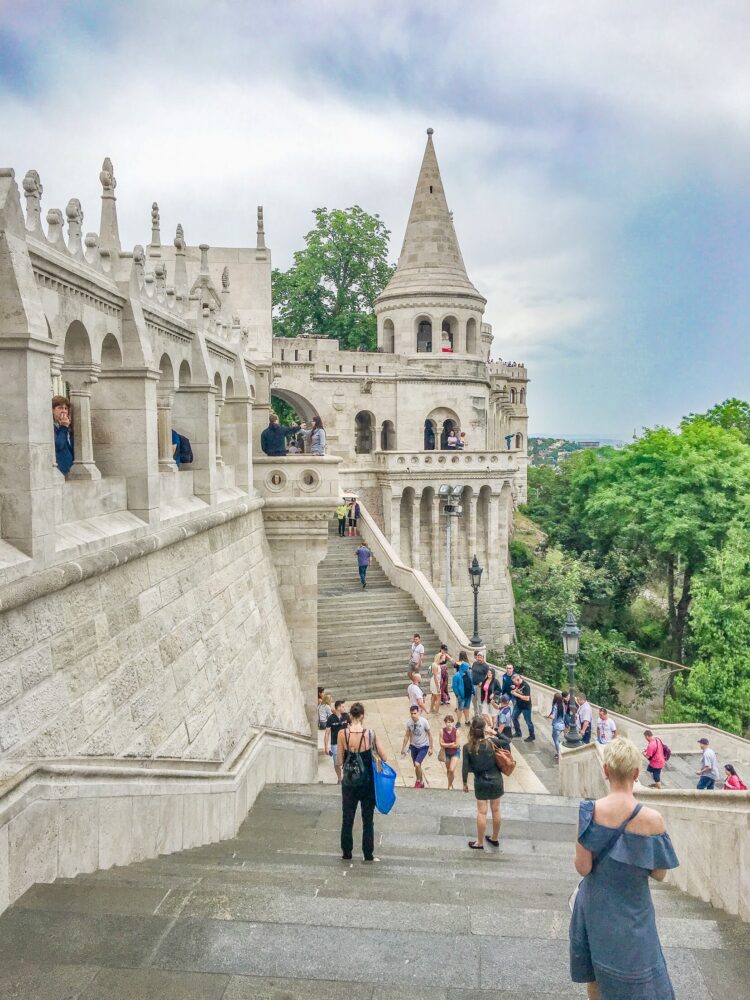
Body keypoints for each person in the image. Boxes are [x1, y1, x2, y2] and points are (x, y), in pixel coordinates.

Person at [570, 737, 679, 999]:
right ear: (636, 773)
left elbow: (583, 868)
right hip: (634, 912)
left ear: (605, 770)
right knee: (641, 976)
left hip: (595, 908)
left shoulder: (589, 811)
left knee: (596, 976)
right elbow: (660, 874)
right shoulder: (653, 820)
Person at [338, 702, 387, 861]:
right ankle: (368, 854)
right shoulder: (370, 734)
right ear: (363, 716)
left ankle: (347, 852)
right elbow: (384, 757)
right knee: (368, 820)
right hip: (367, 783)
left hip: (349, 783)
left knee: (347, 818)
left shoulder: (342, 734)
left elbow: (339, 760)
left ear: (350, 716)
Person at [462, 716, 509, 849]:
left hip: (481, 782)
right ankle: (494, 837)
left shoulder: (467, 747)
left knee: (482, 812)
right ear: (484, 730)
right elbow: (507, 741)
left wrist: (464, 783)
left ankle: (480, 842)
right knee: (496, 810)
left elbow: (465, 768)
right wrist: (495, 732)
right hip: (496, 780)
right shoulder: (492, 742)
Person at [401, 705, 433, 788]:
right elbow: (407, 735)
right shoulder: (409, 722)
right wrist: (403, 748)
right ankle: (421, 781)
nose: (413, 715)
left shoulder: (424, 722)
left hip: (423, 746)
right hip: (414, 746)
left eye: (415, 713)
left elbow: (429, 734)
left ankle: (418, 781)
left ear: (418, 712)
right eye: (411, 713)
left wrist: (431, 747)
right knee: (416, 766)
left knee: (417, 763)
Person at [324, 700, 348, 783]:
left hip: (346, 743)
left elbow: (352, 727)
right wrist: (326, 747)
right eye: (342, 706)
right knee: (336, 763)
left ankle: (346, 777)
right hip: (335, 744)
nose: (344, 708)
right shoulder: (331, 718)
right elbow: (327, 733)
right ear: (338, 708)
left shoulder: (346, 716)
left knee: (347, 761)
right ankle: (339, 778)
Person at [52, 396, 74, 475]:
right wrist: (63, 428)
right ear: (52, 410)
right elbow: (58, 446)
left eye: (66, 408)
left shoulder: (68, 427)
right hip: (59, 471)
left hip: (70, 470)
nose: (64, 411)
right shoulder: (51, 428)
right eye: (60, 408)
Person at [511, 673, 535, 742]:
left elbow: (527, 698)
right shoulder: (517, 684)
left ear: (518, 680)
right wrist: (514, 689)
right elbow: (518, 690)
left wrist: (516, 694)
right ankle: (518, 733)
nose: (514, 683)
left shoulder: (526, 686)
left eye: (515, 682)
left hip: (526, 707)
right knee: (513, 717)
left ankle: (532, 736)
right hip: (518, 705)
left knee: (528, 722)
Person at [440, 714, 461, 789]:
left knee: (452, 769)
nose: (449, 724)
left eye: (450, 722)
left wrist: (446, 745)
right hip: (446, 752)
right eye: (447, 722)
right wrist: (451, 744)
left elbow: (457, 745)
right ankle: (450, 783)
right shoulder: (442, 731)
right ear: (445, 723)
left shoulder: (456, 731)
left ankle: (449, 785)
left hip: (455, 752)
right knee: (448, 770)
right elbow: (441, 744)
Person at [548, 692, 567, 759]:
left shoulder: (555, 706)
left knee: (555, 739)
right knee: (556, 738)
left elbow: (553, 716)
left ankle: (559, 754)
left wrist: (550, 716)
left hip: (557, 726)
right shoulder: (563, 705)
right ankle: (560, 751)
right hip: (562, 725)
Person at [470, 651, 489, 717]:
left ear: (483, 657)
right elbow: (472, 672)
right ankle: (476, 714)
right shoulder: (475, 663)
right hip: (473, 685)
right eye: (478, 656)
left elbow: (488, 676)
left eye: (480, 657)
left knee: (480, 701)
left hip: (480, 686)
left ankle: (481, 715)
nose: (479, 658)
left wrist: (483, 682)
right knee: (473, 701)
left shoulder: (486, 666)